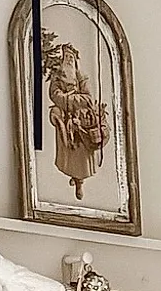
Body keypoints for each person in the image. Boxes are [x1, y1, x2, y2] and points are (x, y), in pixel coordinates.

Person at [41, 35, 110, 200]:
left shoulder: (81, 77)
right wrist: (67, 101)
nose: (69, 60)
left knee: (81, 157)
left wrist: (70, 100)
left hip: (81, 121)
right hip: (66, 120)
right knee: (69, 155)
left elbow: (88, 97)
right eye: (66, 56)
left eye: (71, 57)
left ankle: (79, 182)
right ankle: (72, 175)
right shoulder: (58, 77)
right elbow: (54, 95)